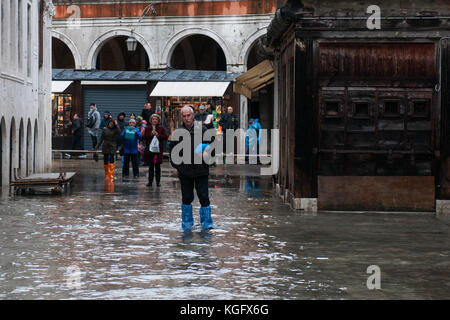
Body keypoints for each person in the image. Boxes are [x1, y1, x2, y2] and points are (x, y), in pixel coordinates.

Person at [169, 105, 213, 231]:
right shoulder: (178, 132)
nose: (187, 118)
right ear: (182, 117)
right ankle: (187, 223)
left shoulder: (203, 130)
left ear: (193, 115)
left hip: (201, 170)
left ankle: (206, 223)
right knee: (186, 198)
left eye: (189, 115)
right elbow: (172, 151)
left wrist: (207, 156)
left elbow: (212, 147)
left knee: (204, 197)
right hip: (185, 171)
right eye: (184, 116)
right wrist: (179, 167)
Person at [142, 114, 168, 187]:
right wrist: (150, 134)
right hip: (150, 150)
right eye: (153, 119)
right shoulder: (147, 128)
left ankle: (158, 182)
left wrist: (158, 135)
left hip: (158, 151)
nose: (154, 120)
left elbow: (165, 137)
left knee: (157, 167)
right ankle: (150, 182)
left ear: (158, 120)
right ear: (151, 120)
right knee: (150, 166)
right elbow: (144, 137)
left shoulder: (161, 128)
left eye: (156, 119)